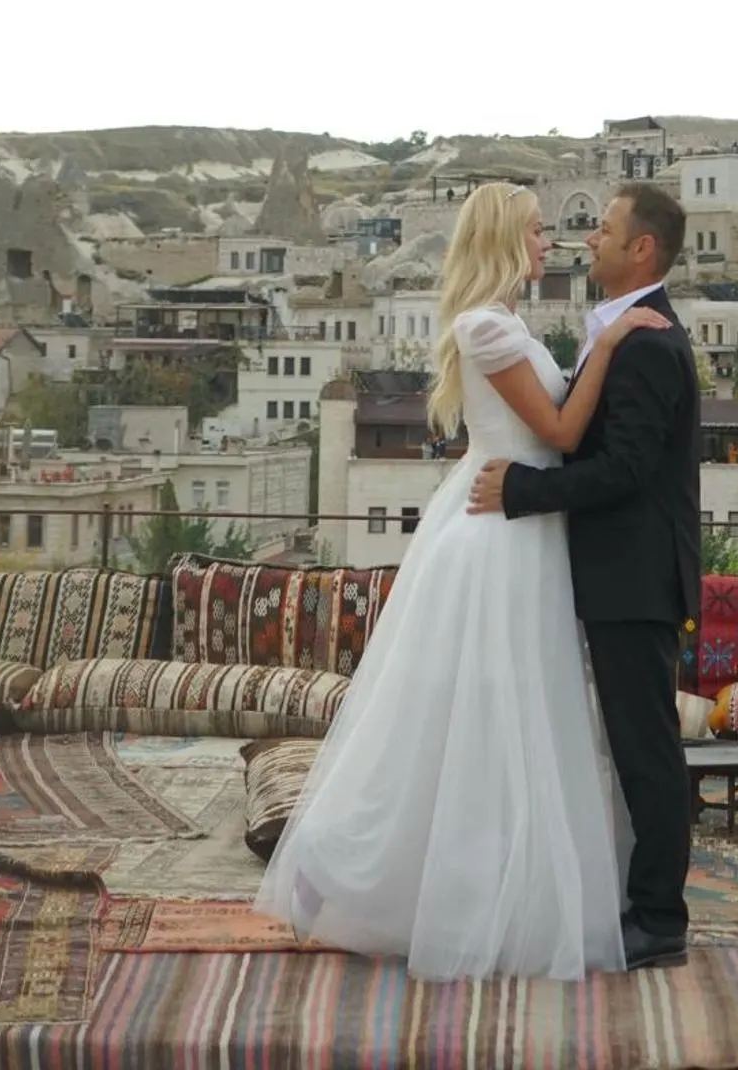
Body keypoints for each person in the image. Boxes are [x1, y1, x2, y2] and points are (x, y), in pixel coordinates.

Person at [253, 181, 668, 980]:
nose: (551, 242)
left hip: (524, 525)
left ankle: (478, 886)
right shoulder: (486, 326)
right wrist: (613, 342)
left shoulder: (507, 323)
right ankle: (348, 865)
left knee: (502, 716)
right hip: (497, 537)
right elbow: (559, 430)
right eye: (537, 230)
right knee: (475, 715)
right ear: (505, 238)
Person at [468, 182, 701, 972]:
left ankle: (659, 920)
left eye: (602, 229)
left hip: (634, 578)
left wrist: (522, 491)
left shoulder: (649, 344)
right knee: (630, 747)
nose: (586, 240)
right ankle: (627, 902)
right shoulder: (621, 334)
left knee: (645, 750)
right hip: (614, 573)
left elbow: (625, 470)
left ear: (641, 248)